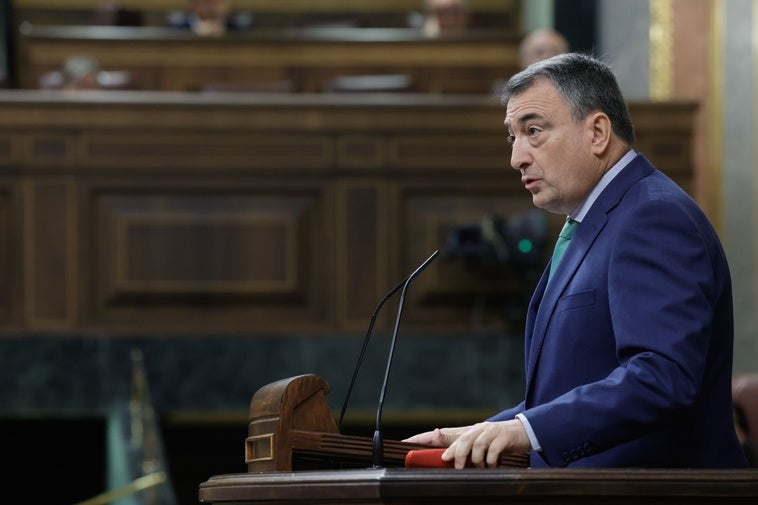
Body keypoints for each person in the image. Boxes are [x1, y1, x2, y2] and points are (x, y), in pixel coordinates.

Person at [405, 52, 748, 469]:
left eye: (534, 131)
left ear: (598, 132)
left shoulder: (653, 217)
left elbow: (662, 377)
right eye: (513, 138)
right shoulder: (597, 221)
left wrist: (524, 431)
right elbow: (569, 387)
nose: (517, 158)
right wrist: (486, 430)